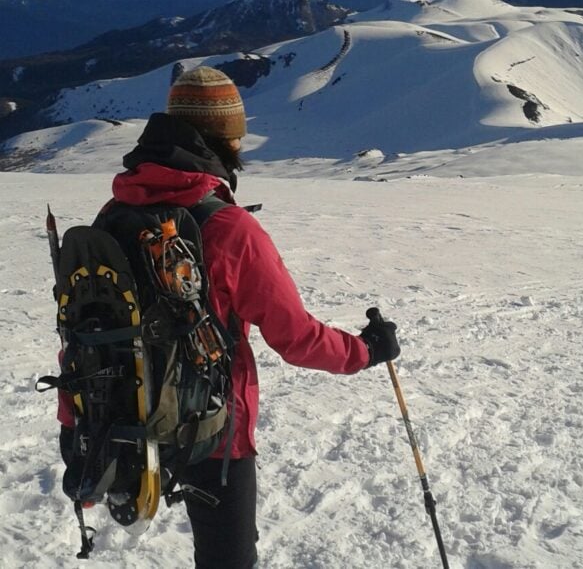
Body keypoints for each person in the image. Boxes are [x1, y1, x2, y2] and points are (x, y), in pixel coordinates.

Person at [58, 66, 400, 569]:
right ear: (226, 139)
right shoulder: (228, 227)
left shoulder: (113, 213)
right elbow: (297, 337)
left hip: (122, 421)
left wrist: (75, 426)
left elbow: (84, 328)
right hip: (215, 435)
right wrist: (367, 351)